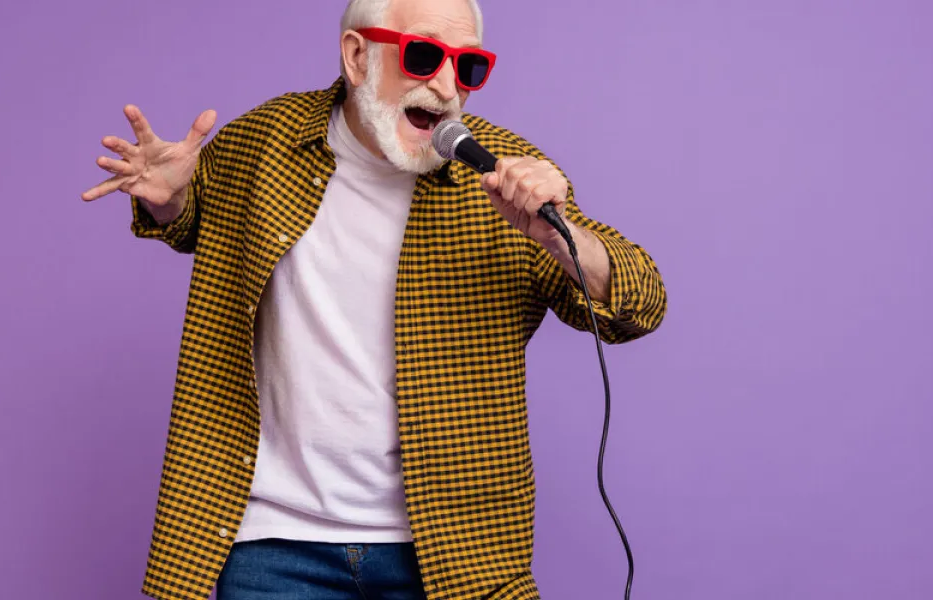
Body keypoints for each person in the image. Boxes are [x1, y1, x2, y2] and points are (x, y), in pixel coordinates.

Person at [81, 0, 666, 598]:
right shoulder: (264, 143)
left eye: (467, 67)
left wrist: (557, 236)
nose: (444, 86)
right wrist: (168, 201)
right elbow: (195, 223)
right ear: (358, 56)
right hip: (273, 544)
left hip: (454, 552)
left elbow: (639, 304)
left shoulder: (505, 180)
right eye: (423, 55)